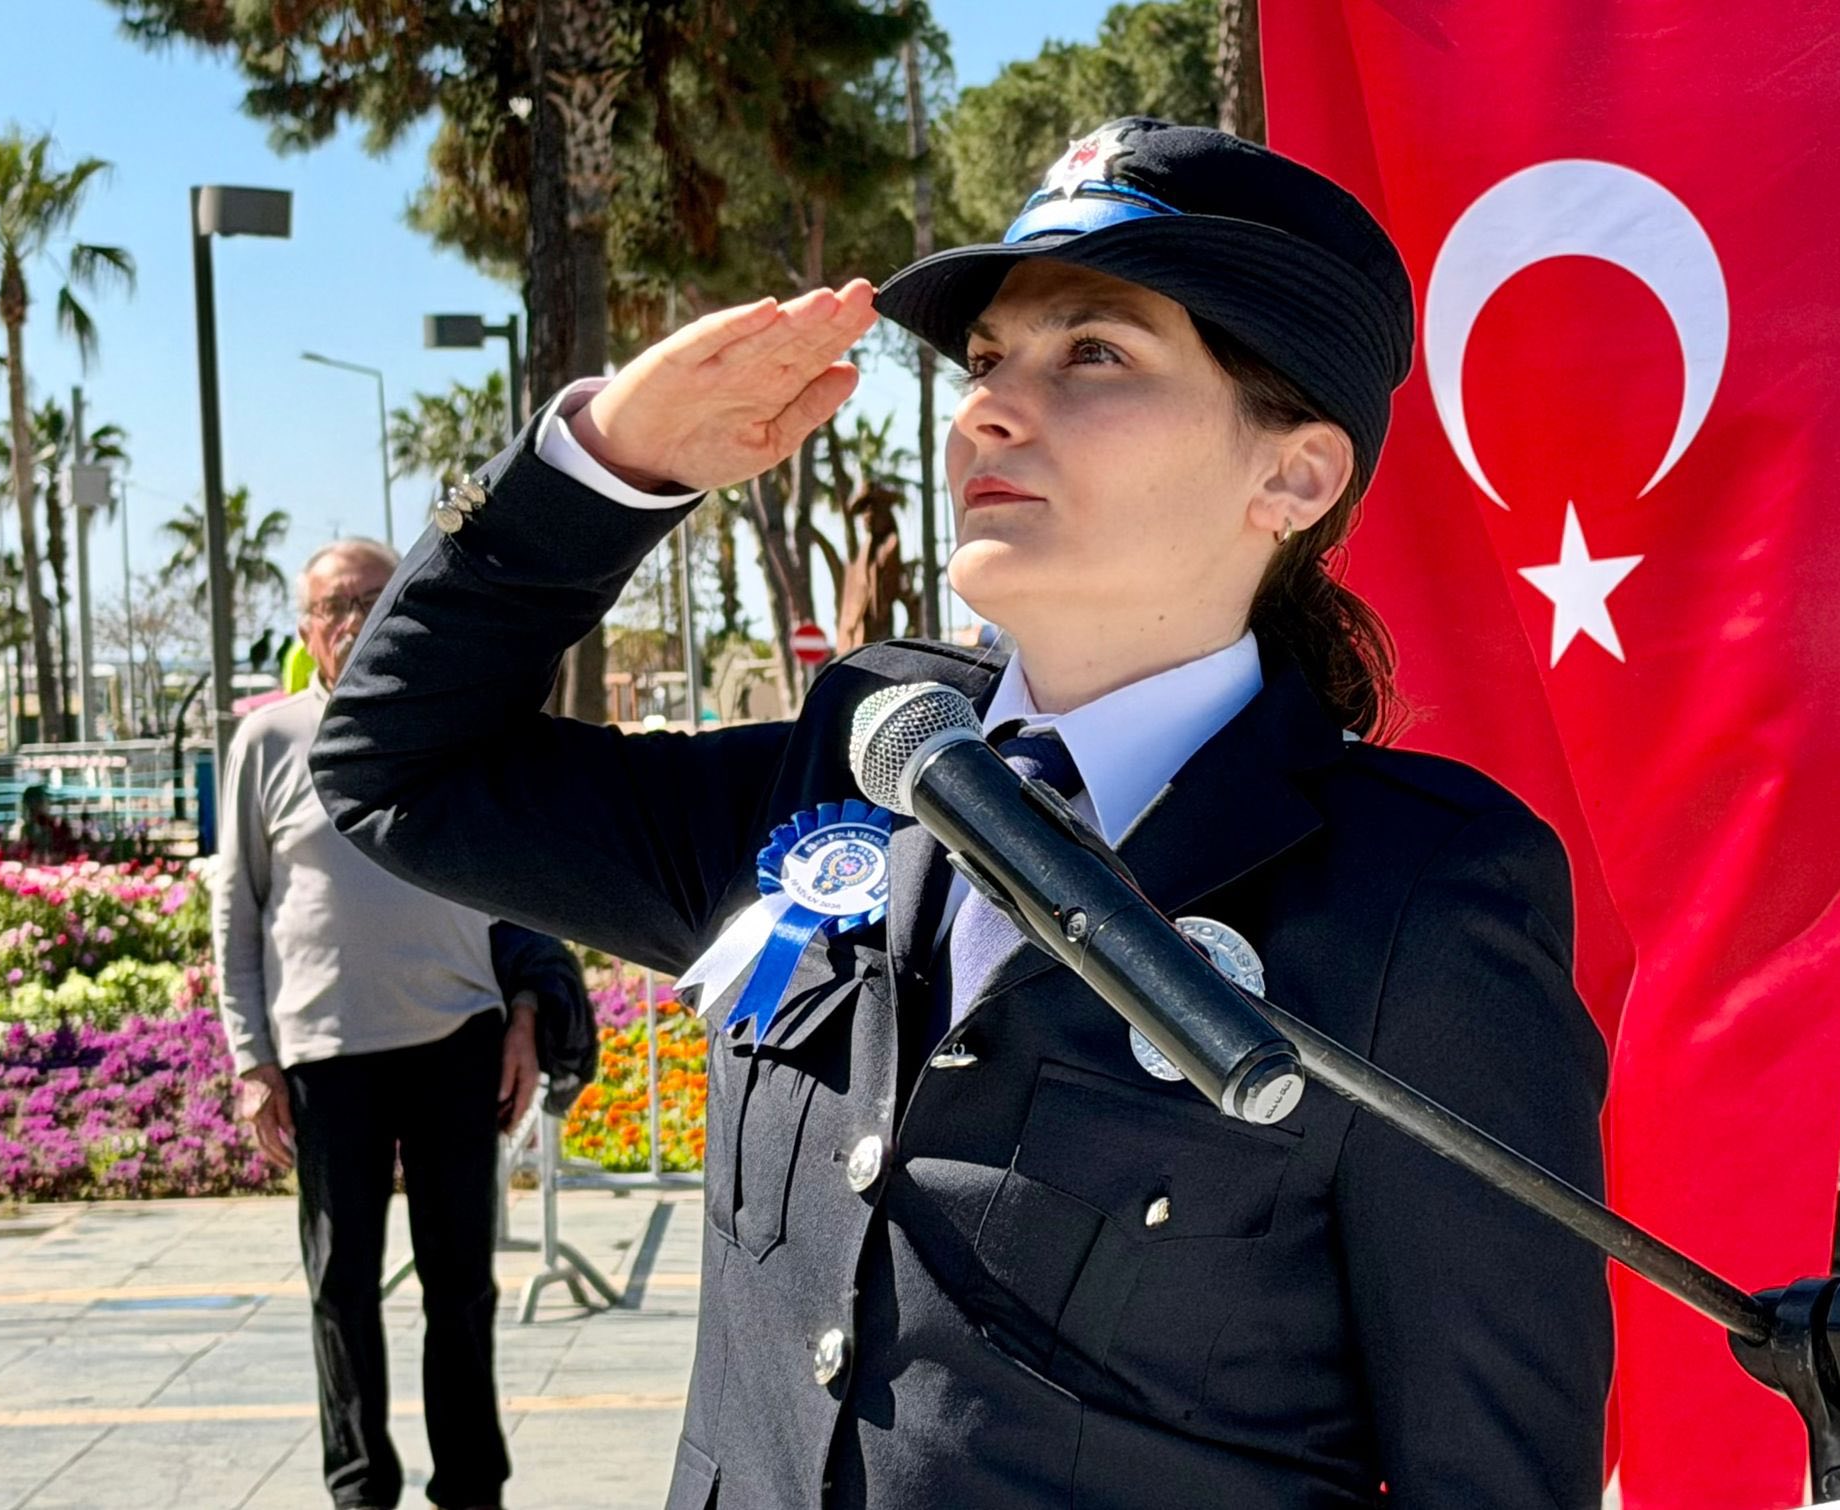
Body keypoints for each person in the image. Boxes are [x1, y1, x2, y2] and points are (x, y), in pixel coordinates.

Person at [310, 120, 1612, 1508]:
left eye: (1093, 353)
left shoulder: (1415, 896)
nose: (987, 406)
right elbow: (402, 771)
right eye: (990, 359)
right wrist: (607, 465)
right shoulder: (858, 752)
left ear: (1292, 474)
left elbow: (1494, 1476)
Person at [214, 536, 571, 1510]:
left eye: (375, 598)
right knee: (342, 1287)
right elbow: (236, 911)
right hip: (326, 1054)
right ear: (305, 630)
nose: (356, 620)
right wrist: (252, 1059)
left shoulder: (456, 729)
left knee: (461, 1288)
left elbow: (520, 890)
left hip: (458, 1037)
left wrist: (526, 1014)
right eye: (335, 605)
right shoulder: (268, 741)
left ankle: (470, 1484)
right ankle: (358, 1485)